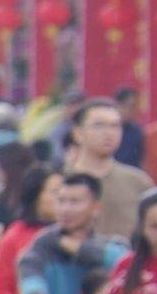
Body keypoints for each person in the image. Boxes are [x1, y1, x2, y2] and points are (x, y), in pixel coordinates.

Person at [56, 98, 151, 238]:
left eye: (115, 126)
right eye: (99, 126)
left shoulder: (138, 182)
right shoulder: (59, 180)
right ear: (77, 134)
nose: (109, 133)